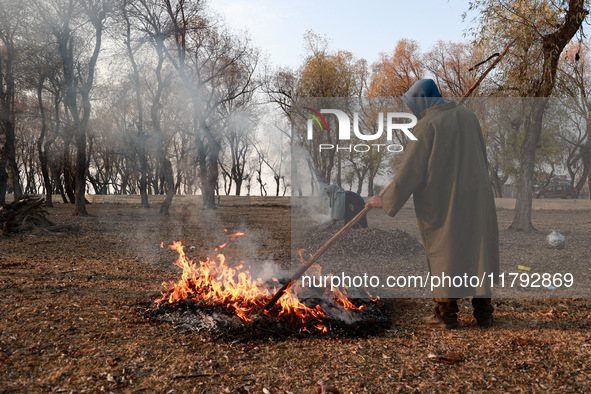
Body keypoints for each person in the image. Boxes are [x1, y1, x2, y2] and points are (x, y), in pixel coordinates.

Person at [365, 79, 499, 329]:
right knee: (477, 250)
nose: (412, 111)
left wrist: (382, 200)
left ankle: (447, 316)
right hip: (477, 197)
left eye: (412, 105)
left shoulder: (427, 126)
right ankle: (484, 314)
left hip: (444, 200)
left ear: (421, 102)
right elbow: (482, 155)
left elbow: (409, 174)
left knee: (444, 252)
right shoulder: (469, 117)